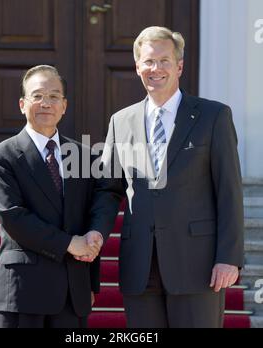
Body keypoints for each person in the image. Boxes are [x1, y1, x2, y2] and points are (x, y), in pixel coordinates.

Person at [89, 26, 244, 328]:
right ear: (137, 67)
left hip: (197, 265)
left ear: (179, 66)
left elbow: (229, 191)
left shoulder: (214, 117)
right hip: (140, 265)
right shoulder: (121, 121)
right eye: (148, 61)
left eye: (164, 60)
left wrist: (228, 256)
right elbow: (108, 189)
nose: (155, 68)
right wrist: (95, 233)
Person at [0, 65, 104, 328]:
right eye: (37, 95)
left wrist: (90, 282)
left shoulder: (84, 156)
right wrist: (69, 244)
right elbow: (13, 217)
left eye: (53, 96)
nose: (45, 103)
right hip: (24, 292)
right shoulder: (0, 157)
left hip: (73, 294)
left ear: (64, 105)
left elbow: (89, 215)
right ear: (22, 104)